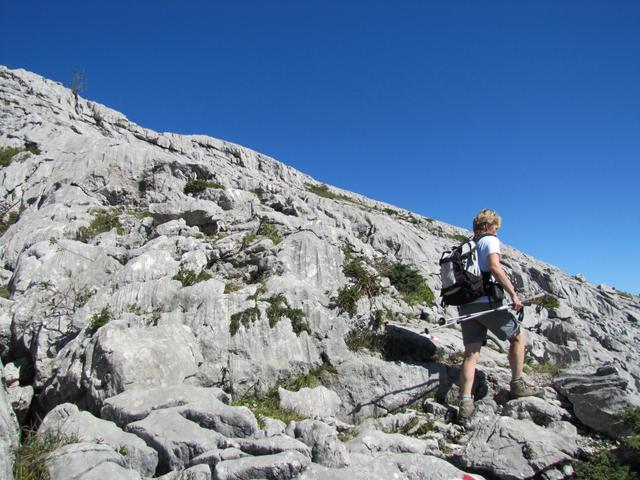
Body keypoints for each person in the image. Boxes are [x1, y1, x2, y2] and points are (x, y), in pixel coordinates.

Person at [458, 209, 540, 422]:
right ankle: (517, 384)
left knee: (471, 354)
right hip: (487, 303)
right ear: (487, 226)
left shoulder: (468, 245)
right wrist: (513, 294)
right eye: (495, 228)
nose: (496, 232)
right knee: (518, 336)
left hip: (466, 305)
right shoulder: (489, 242)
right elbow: (494, 267)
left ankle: (465, 404)